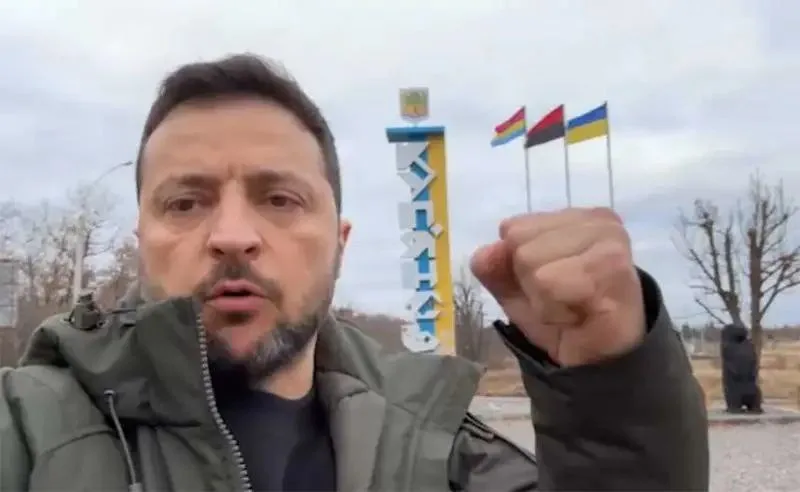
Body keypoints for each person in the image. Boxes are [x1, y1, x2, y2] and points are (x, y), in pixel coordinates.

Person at [0, 54, 709, 491]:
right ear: (142, 240)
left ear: (340, 243)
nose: (233, 236)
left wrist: (613, 391)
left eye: (281, 199)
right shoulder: (27, 428)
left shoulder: (445, 451)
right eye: (186, 202)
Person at [721, 323, 763, 414]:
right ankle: (754, 406)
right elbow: (754, 364)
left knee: (732, 389)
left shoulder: (727, 347)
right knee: (752, 389)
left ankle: (734, 407)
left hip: (735, 389)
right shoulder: (749, 346)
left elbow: (728, 366)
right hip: (751, 388)